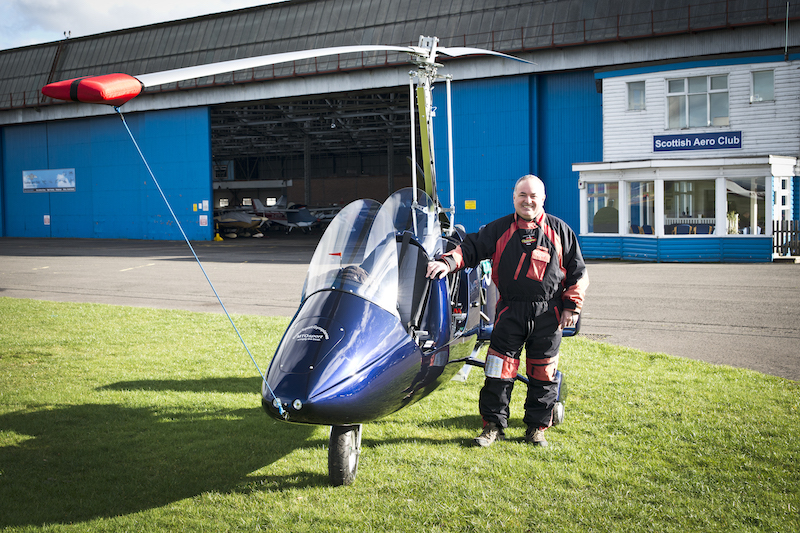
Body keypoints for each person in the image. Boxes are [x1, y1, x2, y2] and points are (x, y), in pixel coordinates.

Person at [426, 175, 588, 447]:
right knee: (498, 372)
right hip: (510, 312)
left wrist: (571, 307)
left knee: (543, 374)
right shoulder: (499, 229)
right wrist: (448, 263)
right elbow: (470, 248)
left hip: (549, 314)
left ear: (543, 198)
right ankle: (493, 427)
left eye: (533, 195)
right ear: (514, 198)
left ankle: (536, 429)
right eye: (522, 195)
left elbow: (578, 273)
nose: (528, 200)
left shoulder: (560, 231)